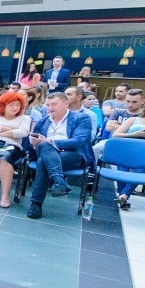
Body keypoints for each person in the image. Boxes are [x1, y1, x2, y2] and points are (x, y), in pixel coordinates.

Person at [26, 92, 94, 220]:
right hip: (47, 153)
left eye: (54, 104)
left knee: (43, 160)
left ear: (66, 104)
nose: (50, 108)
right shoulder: (43, 121)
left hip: (72, 155)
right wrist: (34, 143)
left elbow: (78, 141)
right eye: (48, 105)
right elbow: (33, 143)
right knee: (44, 152)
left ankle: (36, 204)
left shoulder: (81, 118)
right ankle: (59, 181)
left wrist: (50, 142)